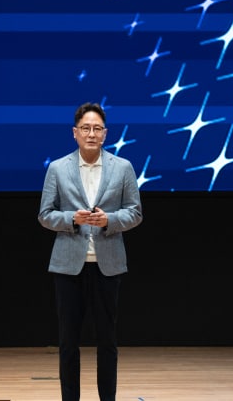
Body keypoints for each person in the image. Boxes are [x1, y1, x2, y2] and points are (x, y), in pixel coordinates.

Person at [38, 102, 143, 401]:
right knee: (68, 342)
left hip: (107, 265)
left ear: (106, 133)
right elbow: (45, 215)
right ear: (75, 133)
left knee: (107, 341)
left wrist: (110, 219)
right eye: (86, 128)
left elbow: (135, 213)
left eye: (97, 128)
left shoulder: (123, 167)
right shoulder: (58, 168)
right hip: (68, 267)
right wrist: (72, 218)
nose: (91, 133)